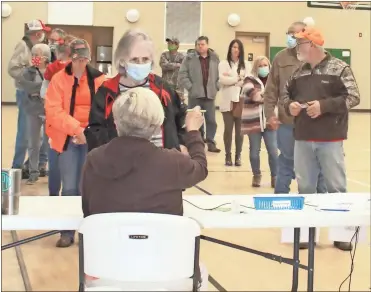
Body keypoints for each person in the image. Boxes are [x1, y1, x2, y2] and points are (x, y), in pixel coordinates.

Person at [81, 87, 208, 291]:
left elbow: (88, 211)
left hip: (107, 272)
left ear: (116, 122)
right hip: (167, 273)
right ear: (157, 126)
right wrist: (193, 132)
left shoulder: (94, 159)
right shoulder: (172, 162)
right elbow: (200, 168)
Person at [281, 27, 360, 251]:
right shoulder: (298, 73)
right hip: (303, 138)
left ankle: (341, 235)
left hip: (330, 139)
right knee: (305, 187)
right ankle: (307, 234)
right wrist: (290, 106)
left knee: (336, 187)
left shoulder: (340, 68)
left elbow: (353, 97)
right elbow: (286, 96)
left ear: (312, 45)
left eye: (300, 43)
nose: (297, 48)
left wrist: (323, 106)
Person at [45, 39, 105, 247]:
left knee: (90, 186)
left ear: (89, 59)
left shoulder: (99, 80)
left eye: (84, 59)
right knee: (69, 186)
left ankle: (88, 231)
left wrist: (87, 133)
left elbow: (103, 109)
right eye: (77, 59)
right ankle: (67, 231)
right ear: (70, 59)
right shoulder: (58, 80)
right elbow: (54, 111)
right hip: (67, 138)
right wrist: (76, 130)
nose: (80, 64)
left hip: (91, 138)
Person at [86, 29, 187, 154]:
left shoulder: (163, 88)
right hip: (123, 165)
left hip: (162, 164)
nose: (140, 64)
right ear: (122, 60)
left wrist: (182, 143)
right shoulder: (107, 92)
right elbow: (95, 131)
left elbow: (181, 118)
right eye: (134, 59)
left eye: (145, 59)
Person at [263, 21, 327, 195]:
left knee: (316, 166)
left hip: (313, 123)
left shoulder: (316, 58)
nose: (291, 37)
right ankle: (280, 204)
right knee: (286, 162)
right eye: (289, 33)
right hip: (287, 122)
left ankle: (316, 207)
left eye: (295, 34)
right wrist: (269, 114)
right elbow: (270, 90)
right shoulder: (280, 58)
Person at [8, 19, 50, 179]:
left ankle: (32, 166)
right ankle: (16, 168)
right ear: (37, 33)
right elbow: (12, 68)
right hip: (26, 94)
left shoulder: (35, 48)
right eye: (42, 32)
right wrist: (29, 79)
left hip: (38, 96)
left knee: (37, 135)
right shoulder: (23, 46)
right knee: (25, 133)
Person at [41, 34, 76, 196]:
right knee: (72, 162)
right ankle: (69, 196)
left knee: (54, 160)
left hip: (54, 121)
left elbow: (43, 93)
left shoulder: (51, 70)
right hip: (73, 121)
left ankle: (53, 195)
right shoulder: (79, 70)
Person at [178, 36, 221, 153]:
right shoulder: (189, 58)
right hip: (195, 96)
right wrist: (191, 88)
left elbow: (220, 74)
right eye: (198, 44)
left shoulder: (214, 58)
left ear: (207, 45)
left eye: (202, 44)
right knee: (196, 120)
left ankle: (211, 142)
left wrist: (217, 86)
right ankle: (198, 141)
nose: (200, 46)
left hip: (210, 95)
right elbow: (182, 74)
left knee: (211, 120)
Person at [240, 56, 278, 188]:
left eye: (265, 65)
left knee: (273, 151)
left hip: (270, 120)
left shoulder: (274, 79)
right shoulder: (249, 79)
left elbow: (276, 95)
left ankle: (275, 176)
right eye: (260, 65)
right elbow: (254, 95)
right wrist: (268, 96)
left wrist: (264, 95)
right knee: (254, 152)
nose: (263, 68)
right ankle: (256, 175)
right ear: (256, 67)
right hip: (253, 121)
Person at [18, 44, 51, 185]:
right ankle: (33, 173)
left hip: (49, 110)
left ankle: (48, 168)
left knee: (50, 142)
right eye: (34, 54)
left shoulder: (53, 71)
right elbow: (26, 87)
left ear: (46, 56)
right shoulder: (28, 72)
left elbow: (55, 87)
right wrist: (44, 87)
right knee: (33, 143)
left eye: (38, 54)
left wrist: (39, 90)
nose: (35, 57)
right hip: (32, 110)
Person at [218, 39, 251, 166]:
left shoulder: (246, 64)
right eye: (233, 47)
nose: (235, 49)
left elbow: (247, 81)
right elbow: (221, 80)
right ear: (230, 49)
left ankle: (238, 156)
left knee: (239, 131)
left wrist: (231, 79)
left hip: (241, 101)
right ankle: (228, 156)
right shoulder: (223, 63)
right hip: (227, 101)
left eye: (237, 47)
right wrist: (237, 79)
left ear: (241, 50)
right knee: (228, 130)